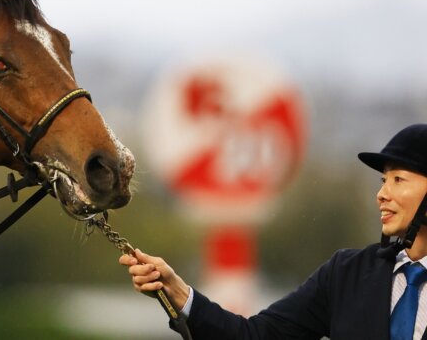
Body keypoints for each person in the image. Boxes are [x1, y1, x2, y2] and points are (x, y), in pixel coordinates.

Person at [120, 123, 427, 339]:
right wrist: (178, 293)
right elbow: (256, 335)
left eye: (398, 180)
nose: (382, 194)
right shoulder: (346, 273)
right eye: (382, 181)